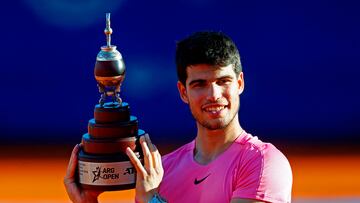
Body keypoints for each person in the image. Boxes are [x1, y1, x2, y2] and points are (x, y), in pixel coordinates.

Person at [64, 31, 293, 203]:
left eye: (223, 81)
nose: (213, 95)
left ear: (240, 83)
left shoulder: (263, 163)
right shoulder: (161, 172)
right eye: (199, 84)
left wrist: (153, 199)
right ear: (183, 92)